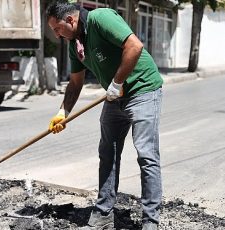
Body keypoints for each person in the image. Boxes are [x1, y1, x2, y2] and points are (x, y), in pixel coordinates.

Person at [46, 1, 163, 230]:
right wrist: (63, 112)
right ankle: (103, 214)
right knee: (107, 151)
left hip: (143, 90)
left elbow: (135, 46)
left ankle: (150, 221)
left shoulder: (101, 18)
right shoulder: (75, 42)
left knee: (146, 154)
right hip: (115, 96)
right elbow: (76, 82)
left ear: (70, 19)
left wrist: (117, 82)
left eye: (57, 29)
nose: (58, 35)